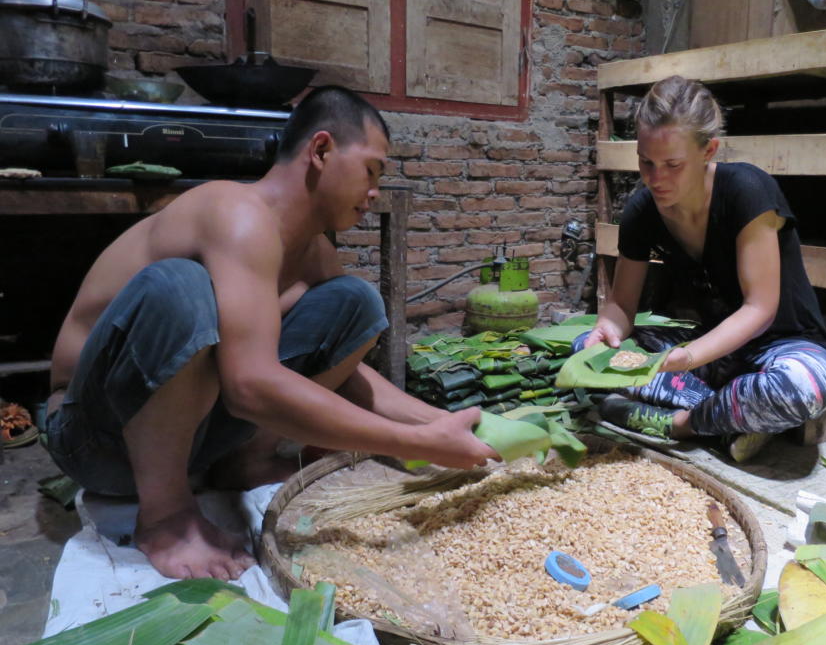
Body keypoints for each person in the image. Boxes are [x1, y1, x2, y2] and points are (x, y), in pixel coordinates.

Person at [45, 86, 497, 581]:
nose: (374, 192)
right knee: (180, 286)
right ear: (321, 151)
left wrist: (443, 426)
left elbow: (347, 370)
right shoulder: (234, 213)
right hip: (96, 440)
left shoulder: (314, 253)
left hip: (195, 437)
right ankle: (167, 516)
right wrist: (416, 444)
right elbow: (250, 386)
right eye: (371, 170)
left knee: (354, 302)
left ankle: (245, 463)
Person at [585, 75, 826, 462]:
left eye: (673, 164)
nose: (656, 179)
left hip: (781, 347)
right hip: (715, 353)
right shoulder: (641, 210)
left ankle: (680, 423)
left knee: (802, 390)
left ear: (709, 151)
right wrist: (608, 329)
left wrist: (688, 358)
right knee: (582, 352)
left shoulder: (746, 190)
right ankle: (735, 417)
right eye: (646, 162)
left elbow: (760, 309)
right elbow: (622, 306)